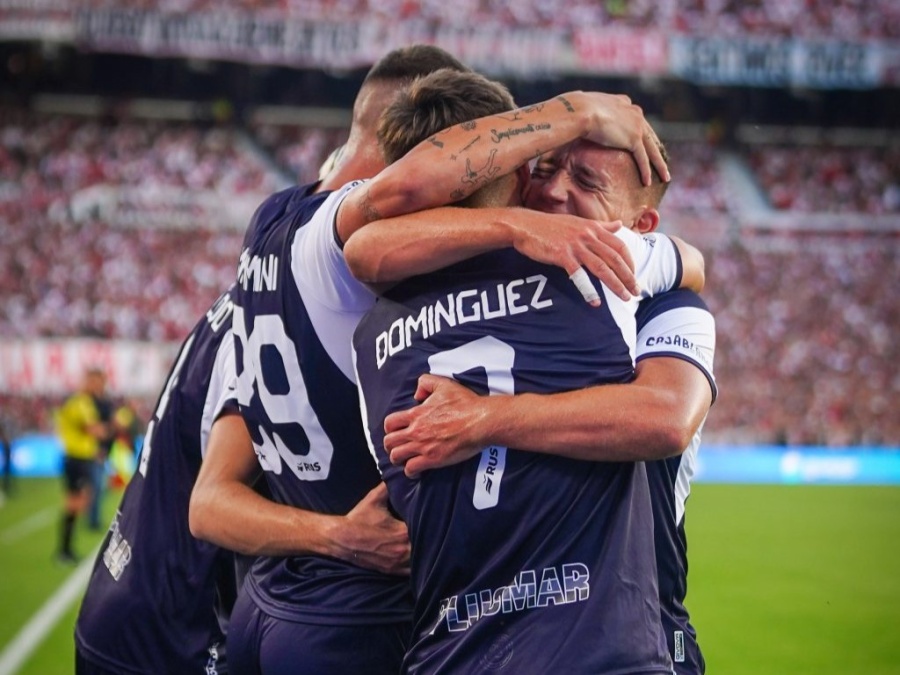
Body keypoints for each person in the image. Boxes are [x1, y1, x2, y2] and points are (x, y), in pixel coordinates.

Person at [189, 45, 670, 674]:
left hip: (267, 596)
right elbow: (403, 198)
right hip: (366, 612)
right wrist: (574, 117)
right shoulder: (346, 250)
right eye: (514, 157)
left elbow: (209, 500)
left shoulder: (274, 223)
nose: (532, 181)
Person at [347, 76, 716, 674]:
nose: (553, 192)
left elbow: (665, 418)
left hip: (639, 622)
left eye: (586, 182)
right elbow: (364, 247)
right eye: (542, 168)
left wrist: (484, 420)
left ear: (639, 225)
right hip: (538, 638)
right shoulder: (513, 264)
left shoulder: (657, 299)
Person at [75, 287, 244, 674]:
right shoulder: (266, 323)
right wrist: (337, 534)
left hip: (122, 596)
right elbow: (211, 506)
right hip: (171, 631)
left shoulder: (232, 306)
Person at [55, 367, 112, 564]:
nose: (101, 386)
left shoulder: (84, 402)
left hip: (82, 458)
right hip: (76, 459)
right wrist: (109, 428)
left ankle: (66, 549)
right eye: (98, 381)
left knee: (80, 502)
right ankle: (64, 550)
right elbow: (94, 430)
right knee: (74, 504)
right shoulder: (80, 403)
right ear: (88, 381)